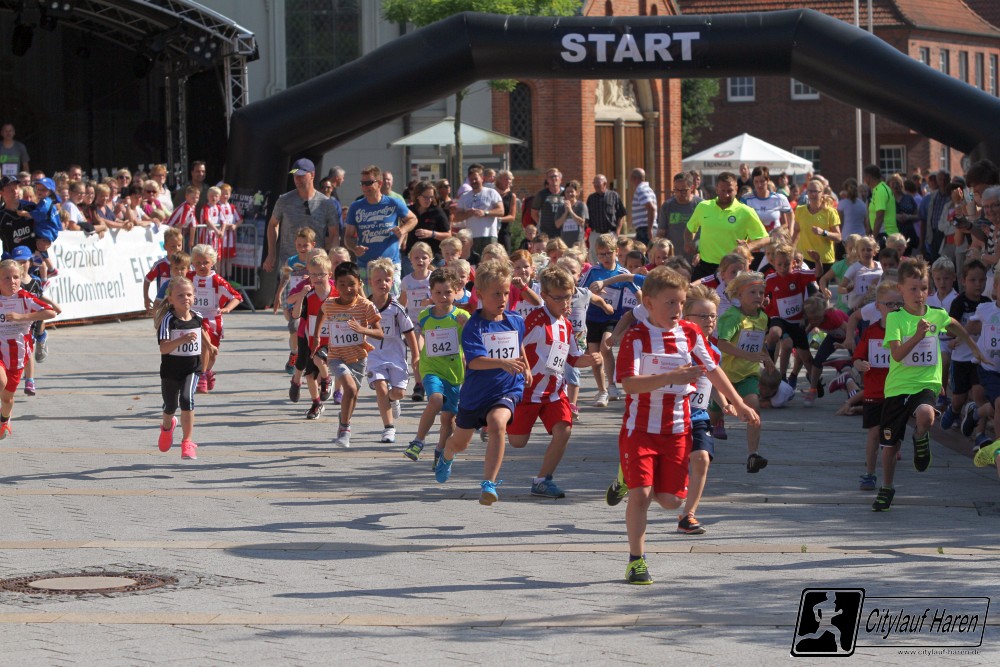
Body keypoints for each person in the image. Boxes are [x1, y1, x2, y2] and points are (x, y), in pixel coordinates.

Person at [615, 267, 758, 584]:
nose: (677, 310)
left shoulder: (690, 334)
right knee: (641, 495)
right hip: (640, 429)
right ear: (649, 303)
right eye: (670, 303)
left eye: (681, 303)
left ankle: (633, 478)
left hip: (677, 430)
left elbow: (714, 370)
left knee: (672, 501)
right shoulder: (636, 338)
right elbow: (628, 384)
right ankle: (636, 560)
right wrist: (670, 377)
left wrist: (738, 402)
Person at [874, 258, 984, 511]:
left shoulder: (936, 314)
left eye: (923, 288)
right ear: (901, 290)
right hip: (898, 387)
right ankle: (887, 486)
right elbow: (897, 355)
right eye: (913, 289)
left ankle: (921, 437)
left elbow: (953, 324)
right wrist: (918, 336)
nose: (919, 294)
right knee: (890, 446)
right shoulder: (896, 319)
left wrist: (973, 346)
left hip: (926, 384)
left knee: (926, 415)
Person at [433, 261, 531, 505]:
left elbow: (518, 345)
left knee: (497, 424)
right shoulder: (474, 326)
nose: (503, 298)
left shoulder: (515, 320)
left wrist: (526, 367)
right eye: (496, 293)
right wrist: (503, 362)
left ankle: (489, 483)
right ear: (480, 294)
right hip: (476, 394)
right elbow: (475, 362)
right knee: (460, 443)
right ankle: (447, 453)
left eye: (506, 293)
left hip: (507, 388)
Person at [507, 265, 602, 498]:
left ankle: (543, 480)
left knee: (564, 430)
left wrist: (590, 359)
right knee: (517, 442)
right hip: (528, 392)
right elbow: (514, 346)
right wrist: (521, 369)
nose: (565, 303)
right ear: (545, 296)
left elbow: (573, 358)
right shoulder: (536, 320)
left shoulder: (566, 324)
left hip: (554, 392)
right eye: (558, 298)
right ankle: (495, 419)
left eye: (568, 297)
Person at [405, 268, 470, 465]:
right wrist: (417, 354)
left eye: (448, 292)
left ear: (456, 292)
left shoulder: (462, 316)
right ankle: (418, 441)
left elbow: (471, 342)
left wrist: (467, 326)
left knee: (448, 420)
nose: (443, 297)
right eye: (438, 293)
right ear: (431, 293)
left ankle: (440, 450)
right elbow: (420, 335)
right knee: (435, 399)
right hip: (431, 368)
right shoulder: (425, 315)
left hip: (453, 372)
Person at [316, 261, 383, 448]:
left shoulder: (366, 305)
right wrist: (316, 336)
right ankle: (345, 429)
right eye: (342, 284)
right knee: (350, 389)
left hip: (359, 357)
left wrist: (362, 329)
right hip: (336, 356)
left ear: (359, 283)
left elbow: (380, 333)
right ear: (335, 285)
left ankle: (344, 419)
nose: (347, 289)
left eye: (352, 284)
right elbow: (321, 313)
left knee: (353, 395)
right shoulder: (330, 304)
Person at [716, 271, 774, 473]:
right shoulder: (732, 317)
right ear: (739, 295)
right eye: (752, 292)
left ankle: (753, 455)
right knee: (712, 417)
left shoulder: (763, 317)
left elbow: (759, 341)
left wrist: (767, 359)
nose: (758, 296)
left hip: (748, 374)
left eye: (761, 292)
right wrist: (747, 355)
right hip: (724, 376)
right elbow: (721, 343)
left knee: (754, 407)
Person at [153, 276, 216, 460]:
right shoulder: (168, 320)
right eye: (180, 295)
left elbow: (200, 331)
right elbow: (164, 348)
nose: (185, 298)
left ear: (194, 297)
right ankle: (167, 427)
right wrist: (182, 339)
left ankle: (187, 442)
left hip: (191, 369)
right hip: (170, 371)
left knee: (187, 399)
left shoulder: (197, 317)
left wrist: (209, 346)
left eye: (189, 294)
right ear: (171, 299)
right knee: (170, 406)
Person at [852, 281, 901, 490]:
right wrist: (860, 364)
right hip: (874, 391)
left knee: (892, 438)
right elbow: (857, 358)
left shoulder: (906, 331)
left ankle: (888, 476)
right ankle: (870, 473)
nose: (894, 308)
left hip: (898, 391)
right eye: (889, 304)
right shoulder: (871, 332)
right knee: (874, 432)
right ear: (878, 306)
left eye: (899, 304)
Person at [365, 258, 419, 444]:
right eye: (378, 280)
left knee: (398, 393)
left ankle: (392, 399)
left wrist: (416, 356)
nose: (383, 284)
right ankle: (388, 428)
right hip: (374, 356)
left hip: (395, 355)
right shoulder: (364, 306)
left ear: (392, 281)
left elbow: (409, 332)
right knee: (380, 387)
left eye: (387, 280)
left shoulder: (396, 308)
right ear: (371, 282)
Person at [0, 258, 55, 439]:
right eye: (6, 278)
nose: (12, 281)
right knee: (0, 380)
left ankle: (4, 419)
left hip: (17, 355)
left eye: (16, 277)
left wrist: (22, 317)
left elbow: (51, 312)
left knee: (7, 399)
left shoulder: (25, 298)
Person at [344, 165, 417, 293]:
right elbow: (348, 236)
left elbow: (413, 219)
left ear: (379, 183)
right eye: (362, 183)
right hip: (365, 265)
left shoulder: (393, 203)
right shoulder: (356, 207)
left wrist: (403, 230)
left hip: (390, 264)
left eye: (368, 183)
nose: (364, 187)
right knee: (367, 303)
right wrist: (354, 248)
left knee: (392, 302)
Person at [686, 172, 769, 280]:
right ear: (717, 189)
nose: (726, 194)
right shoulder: (703, 207)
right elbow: (690, 228)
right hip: (705, 267)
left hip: (733, 269)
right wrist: (688, 242)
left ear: (736, 189)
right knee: (693, 290)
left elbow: (765, 238)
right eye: (722, 190)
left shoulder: (746, 211)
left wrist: (748, 247)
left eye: (730, 191)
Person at [263, 158, 340, 274]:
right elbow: (273, 225)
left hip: (316, 270)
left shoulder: (326, 203)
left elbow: (334, 235)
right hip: (288, 268)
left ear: (312, 175)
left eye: (301, 175)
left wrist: (331, 261)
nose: (297, 179)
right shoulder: (284, 200)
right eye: (295, 175)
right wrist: (271, 254)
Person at [188, 244, 242, 393]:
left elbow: (236, 297)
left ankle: (208, 371)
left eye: (205, 262)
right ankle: (201, 376)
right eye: (198, 263)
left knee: (212, 353)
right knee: (203, 343)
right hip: (193, 317)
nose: (202, 266)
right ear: (193, 263)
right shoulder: (188, 278)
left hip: (213, 319)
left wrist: (227, 308)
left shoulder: (217, 280)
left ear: (212, 262)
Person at [298, 252, 335, 421]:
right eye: (313, 275)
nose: (318, 278)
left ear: (329, 274)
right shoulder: (309, 295)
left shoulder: (337, 294)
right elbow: (297, 315)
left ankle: (327, 380)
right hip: (312, 341)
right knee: (309, 376)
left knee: (319, 360)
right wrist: (300, 296)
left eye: (321, 274)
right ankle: (316, 403)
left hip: (332, 342)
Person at [793, 178, 841, 277]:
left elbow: (838, 237)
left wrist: (823, 232)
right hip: (804, 258)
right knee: (805, 286)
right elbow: (796, 232)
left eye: (815, 191)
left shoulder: (830, 212)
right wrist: (791, 251)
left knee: (821, 286)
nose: (812, 194)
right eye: (810, 191)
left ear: (822, 193)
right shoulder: (800, 210)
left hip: (824, 259)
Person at [453, 166, 503, 256]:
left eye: (475, 178)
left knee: (490, 260)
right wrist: (468, 214)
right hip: (471, 237)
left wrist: (485, 213)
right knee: (474, 261)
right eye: (471, 179)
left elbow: (501, 211)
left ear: (482, 178)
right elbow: (456, 217)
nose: (473, 181)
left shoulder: (491, 192)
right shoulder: (464, 196)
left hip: (489, 235)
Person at [403, 181, 450, 268]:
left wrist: (431, 234)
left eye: (431, 197)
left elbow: (448, 235)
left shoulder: (437, 211)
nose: (429, 200)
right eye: (425, 197)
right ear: (418, 196)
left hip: (433, 259)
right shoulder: (409, 211)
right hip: (411, 258)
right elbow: (403, 229)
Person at [659, 173, 702, 262]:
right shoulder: (667, 206)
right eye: (676, 190)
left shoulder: (701, 205)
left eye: (683, 190)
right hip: (673, 259)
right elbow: (661, 234)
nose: (679, 194)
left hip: (696, 258)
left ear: (692, 188)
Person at [143, 227, 185, 312]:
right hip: (164, 306)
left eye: (179, 245)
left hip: (181, 305)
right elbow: (147, 280)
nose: (177, 248)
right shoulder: (159, 265)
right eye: (173, 246)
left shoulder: (186, 264)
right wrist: (146, 298)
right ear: (165, 247)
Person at [740, 166, 791, 233]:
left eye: (762, 181)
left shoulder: (779, 198)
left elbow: (790, 215)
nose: (759, 185)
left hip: (775, 239)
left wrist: (790, 232)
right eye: (756, 181)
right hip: (755, 238)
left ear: (768, 180)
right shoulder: (746, 199)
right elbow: (740, 221)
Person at [863, 164, 897, 244]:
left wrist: (873, 239)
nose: (864, 180)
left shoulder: (880, 191)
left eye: (864, 177)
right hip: (885, 234)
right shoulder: (879, 189)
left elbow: (879, 216)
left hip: (884, 235)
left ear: (869, 177)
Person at [531, 168, 565, 240]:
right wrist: (541, 224)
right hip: (547, 233)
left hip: (563, 231)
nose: (554, 178)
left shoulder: (565, 194)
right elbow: (534, 213)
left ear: (560, 179)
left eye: (555, 176)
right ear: (547, 180)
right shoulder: (541, 194)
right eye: (551, 177)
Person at [554, 179, 587, 250]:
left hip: (577, 242)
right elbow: (557, 225)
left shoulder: (581, 205)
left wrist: (570, 211)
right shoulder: (561, 207)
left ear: (576, 193)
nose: (569, 194)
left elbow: (582, 222)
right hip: (564, 243)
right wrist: (566, 212)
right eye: (567, 192)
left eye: (572, 192)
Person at [629, 168, 657, 246]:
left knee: (644, 251)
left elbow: (651, 208)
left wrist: (649, 229)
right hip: (645, 228)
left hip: (645, 229)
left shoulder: (641, 190)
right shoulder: (647, 189)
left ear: (635, 178)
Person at [494, 170, 518, 252]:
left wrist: (498, 219)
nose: (508, 181)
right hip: (491, 228)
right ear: (499, 180)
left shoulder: (512, 196)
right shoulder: (492, 192)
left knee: (506, 253)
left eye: (510, 179)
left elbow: (512, 217)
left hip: (504, 229)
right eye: (506, 179)